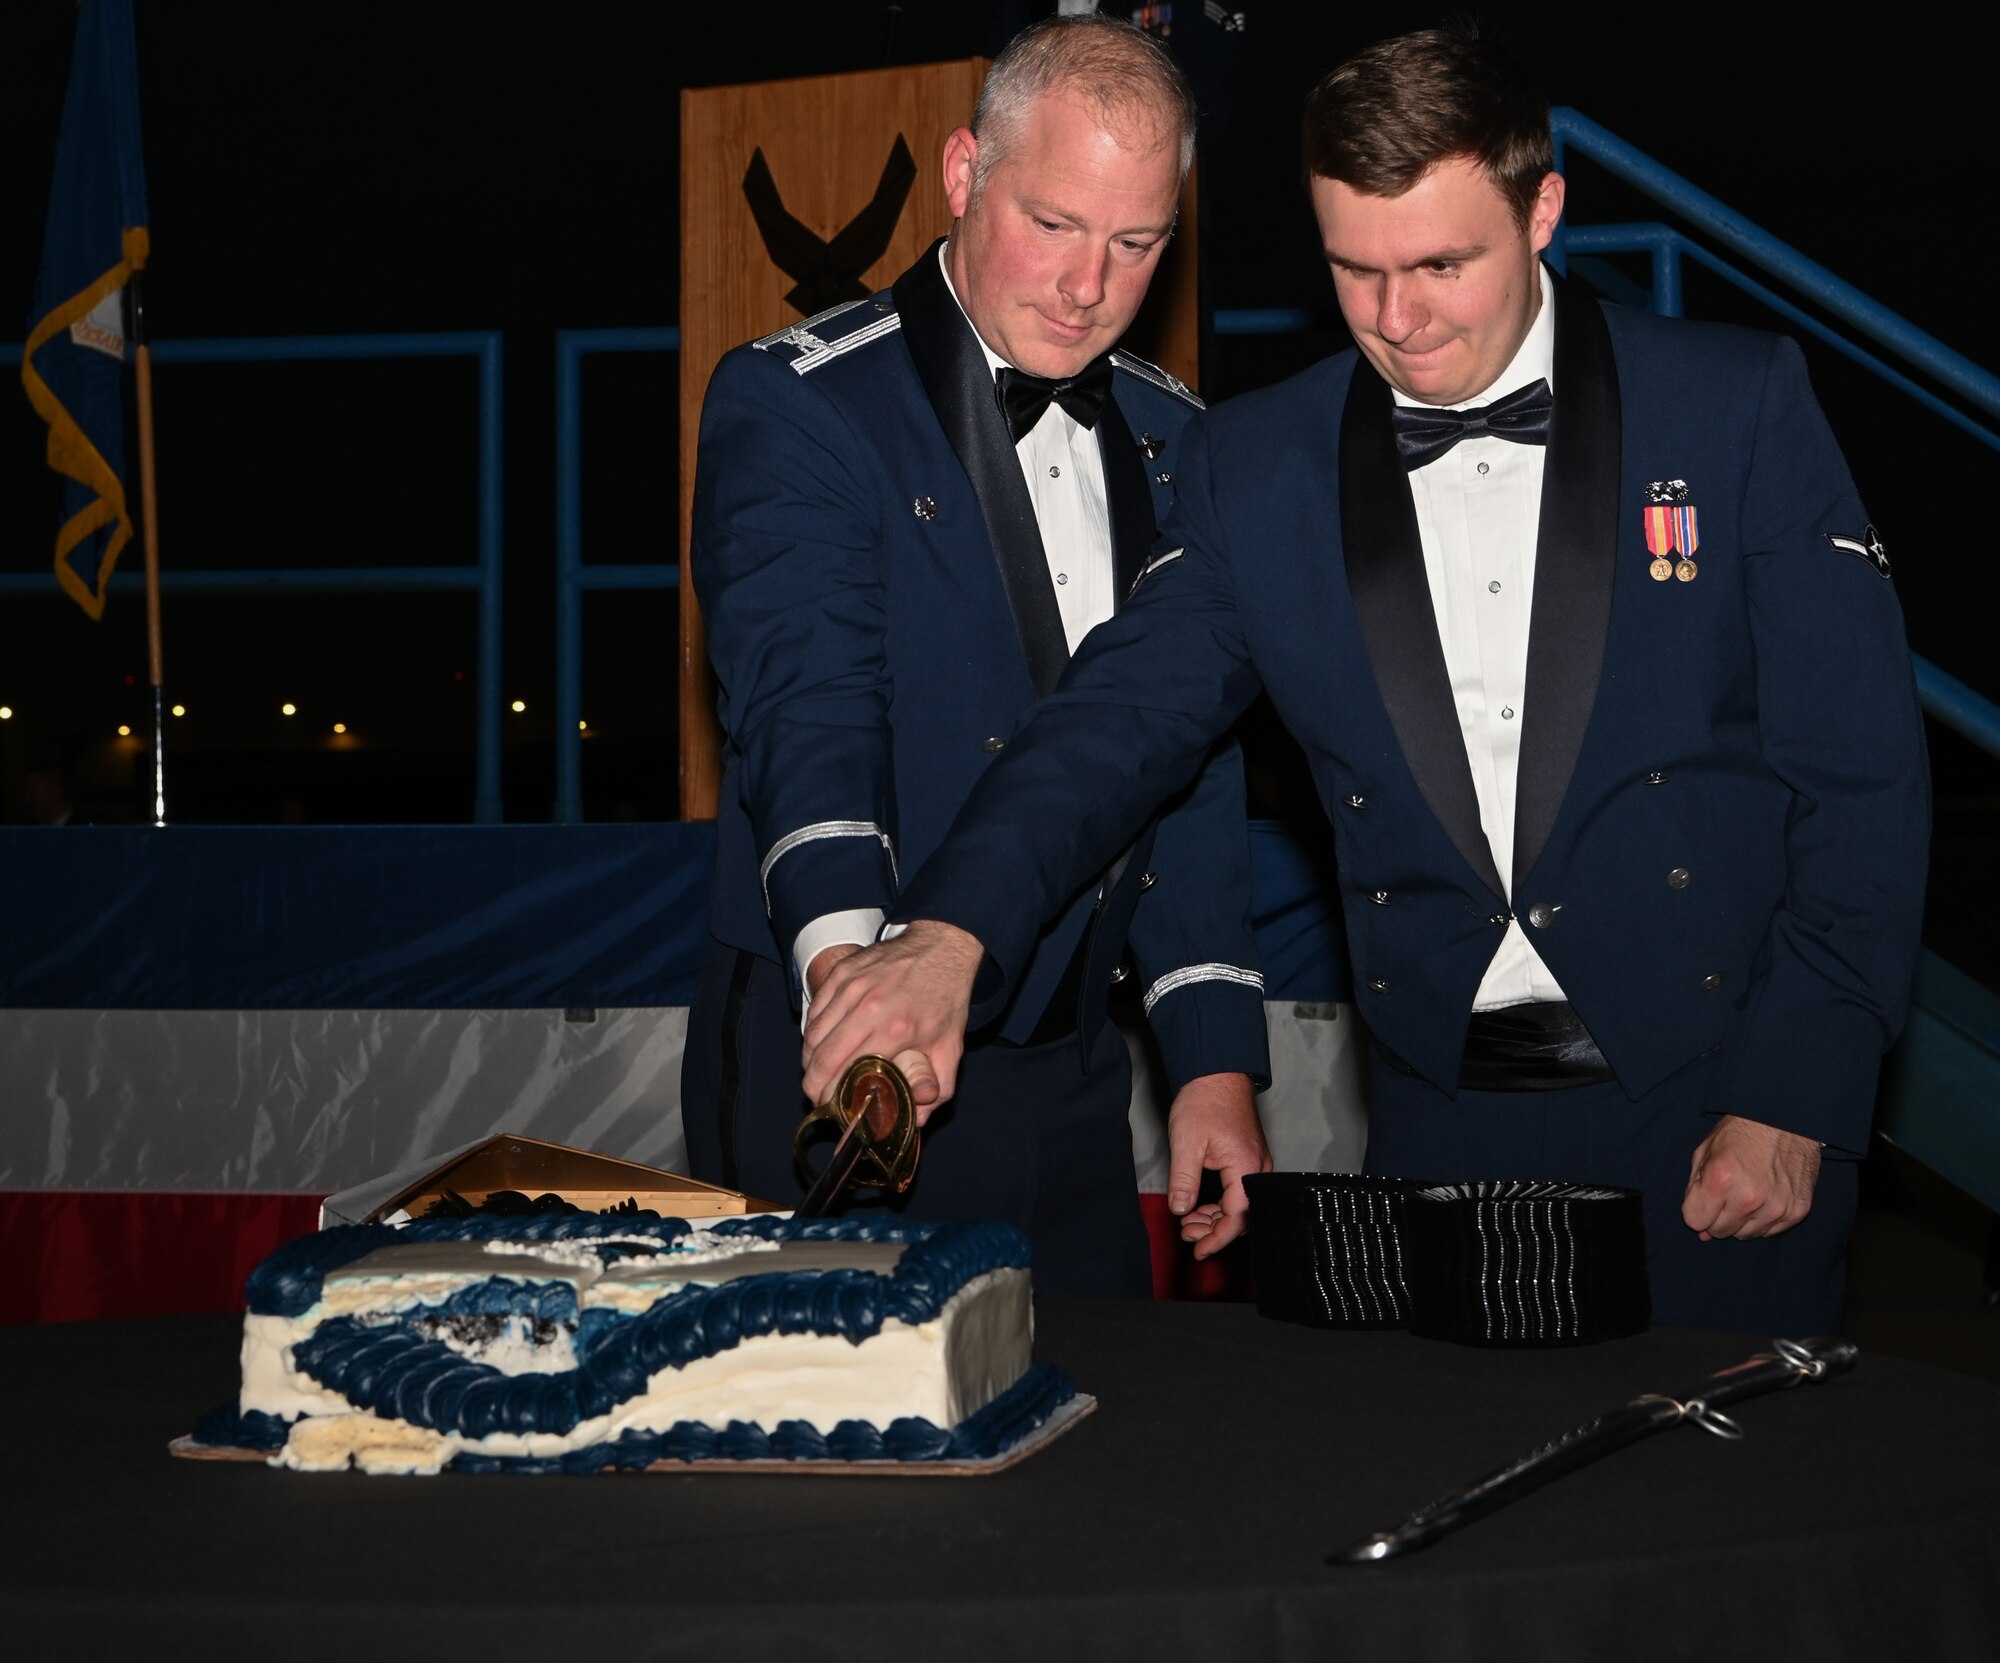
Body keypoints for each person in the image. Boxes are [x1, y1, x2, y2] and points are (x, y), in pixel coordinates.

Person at [800, 25, 1930, 1335]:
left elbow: (1860, 778)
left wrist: (1799, 1088)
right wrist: (949, 935)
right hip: (1437, 1122)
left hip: (1718, 1097)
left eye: (1443, 264)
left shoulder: (1734, 407)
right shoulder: (1259, 465)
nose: (1401, 319)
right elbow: (1113, 723)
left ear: (1544, 207)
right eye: (1357, 271)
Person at [683, 15, 1273, 1298]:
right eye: (1053, 224)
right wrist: (860, 996)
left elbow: (1183, 764)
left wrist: (1211, 1057)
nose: (1087, 286)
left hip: (1073, 1069)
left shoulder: (1182, 436)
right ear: (963, 175)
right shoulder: (801, 402)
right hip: (849, 1041)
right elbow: (808, 717)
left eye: (1135, 244)